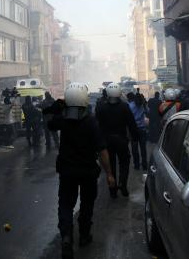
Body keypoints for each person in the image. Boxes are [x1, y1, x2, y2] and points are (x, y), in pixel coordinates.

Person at [48, 82, 115, 259]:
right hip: (88, 172)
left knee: (65, 205)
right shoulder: (91, 122)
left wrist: (57, 107)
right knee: (87, 205)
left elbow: (50, 123)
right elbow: (102, 150)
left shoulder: (63, 119)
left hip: (67, 172)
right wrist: (109, 174)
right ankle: (84, 235)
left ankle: (67, 237)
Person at [95, 82, 138, 198]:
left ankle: (112, 190)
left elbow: (96, 125)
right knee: (124, 162)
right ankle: (122, 183)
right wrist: (135, 137)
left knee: (110, 165)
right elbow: (132, 124)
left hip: (106, 141)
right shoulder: (125, 106)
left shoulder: (101, 107)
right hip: (121, 140)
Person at [128, 92, 148, 171]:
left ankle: (136, 165)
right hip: (142, 130)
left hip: (134, 130)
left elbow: (128, 118)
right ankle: (144, 165)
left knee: (134, 149)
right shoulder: (143, 105)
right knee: (143, 148)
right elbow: (148, 112)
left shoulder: (130, 105)